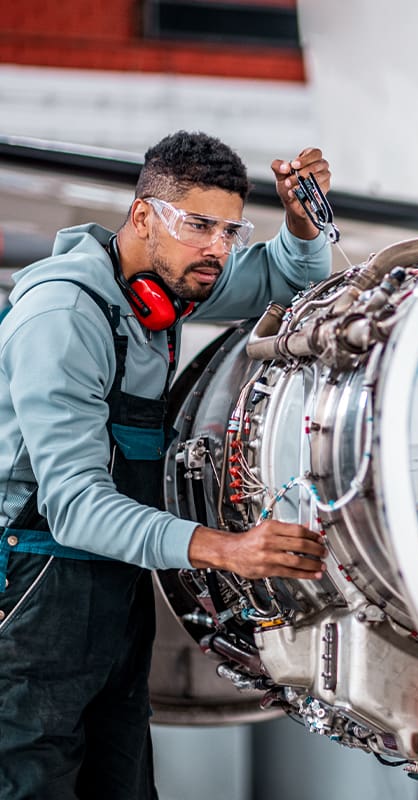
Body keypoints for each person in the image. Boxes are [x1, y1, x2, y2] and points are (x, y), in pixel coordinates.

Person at [0, 131, 332, 799]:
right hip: (30, 598)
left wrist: (300, 227)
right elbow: (76, 507)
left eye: (230, 230)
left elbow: (292, 278)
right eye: (199, 224)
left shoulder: (159, 292)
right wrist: (227, 549)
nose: (218, 247)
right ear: (145, 214)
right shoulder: (68, 314)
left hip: (112, 593)